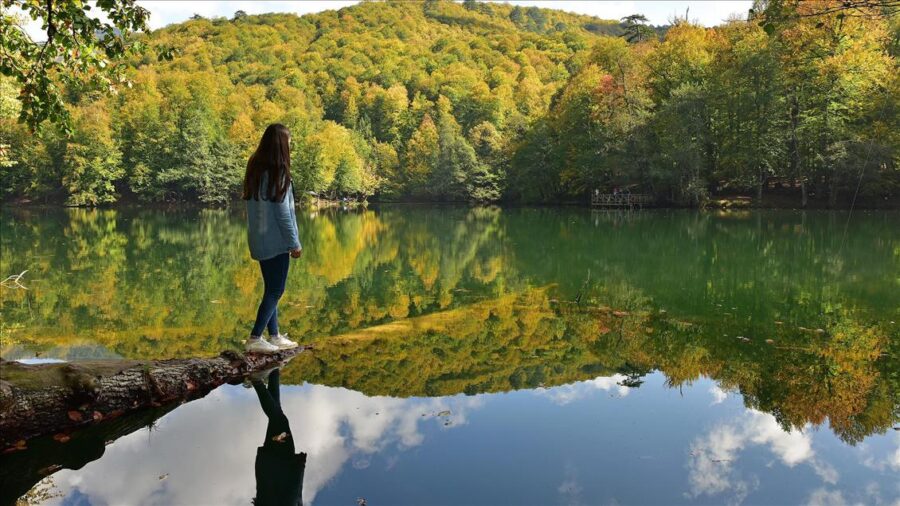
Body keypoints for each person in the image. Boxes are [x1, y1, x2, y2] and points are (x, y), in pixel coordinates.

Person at [243, 124, 302, 354]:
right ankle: (255, 337)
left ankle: (274, 336)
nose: (290, 146)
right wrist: (294, 243)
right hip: (276, 242)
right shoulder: (279, 173)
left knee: (270, 288)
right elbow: (283, 213)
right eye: (288, 142)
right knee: (276, 290)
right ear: (281, 145)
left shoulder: (255, 169)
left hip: (259, 239)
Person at [250, 367, 306, 506]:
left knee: (279, 420)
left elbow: (294, 491)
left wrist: (300, 465)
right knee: (277, 414)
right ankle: (274, 370)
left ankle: (256, 380)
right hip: (270, 461)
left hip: (282, 458)